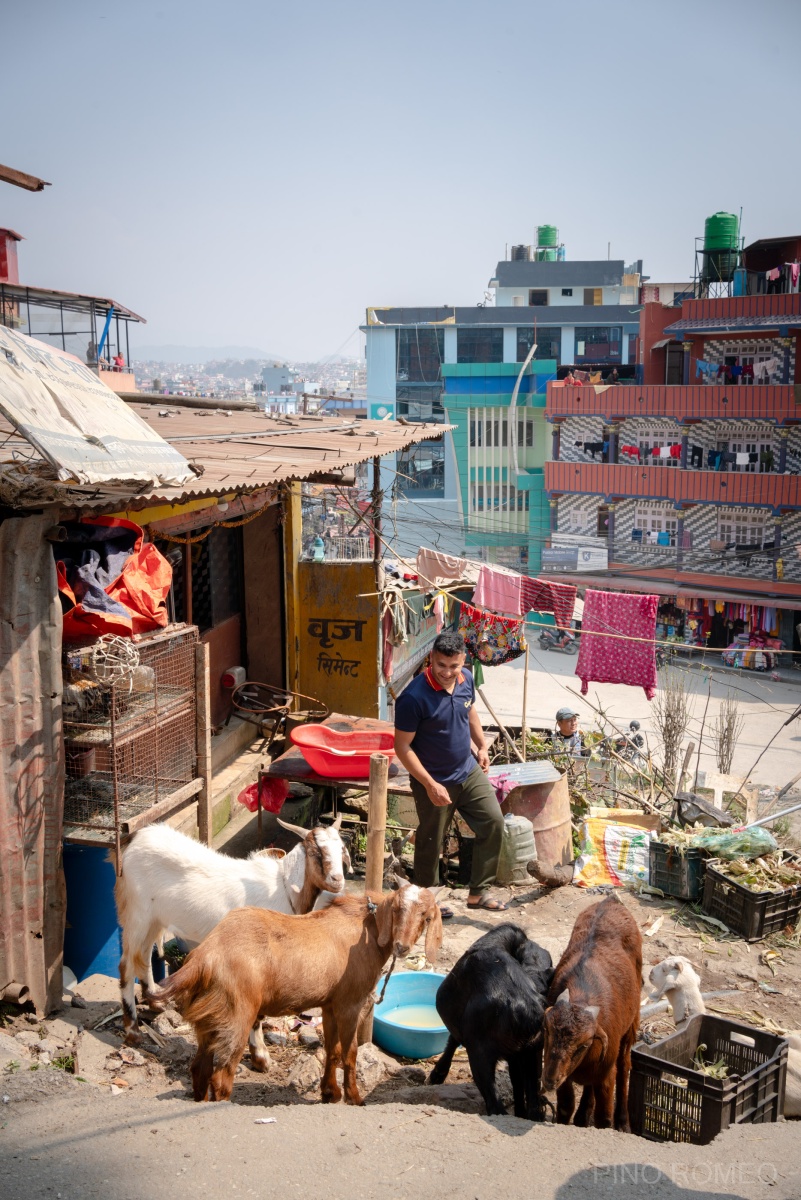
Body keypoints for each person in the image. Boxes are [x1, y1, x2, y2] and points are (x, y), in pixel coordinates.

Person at [394, 631, 507, 913]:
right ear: (431, 658)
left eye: (453, 666)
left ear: (463, 661)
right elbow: (402, 747)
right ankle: (428, 900)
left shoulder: (466, 679)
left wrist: (481, 746)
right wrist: (430, 784)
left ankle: (478, 894)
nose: (447, 672)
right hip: (432, 779)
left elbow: (470, 713)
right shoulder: (412, 698)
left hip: (467, 770)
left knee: (493, 823)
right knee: (431, 841)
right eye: (441, 665)